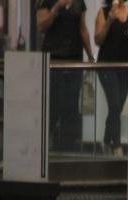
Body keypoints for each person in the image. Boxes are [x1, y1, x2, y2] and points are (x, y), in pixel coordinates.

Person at [36, 0, 94, 151]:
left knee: (71, 105)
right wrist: (56, 8)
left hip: (74, 59)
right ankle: (45, 144)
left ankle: (68, 146)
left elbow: (83, 29)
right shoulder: (46, 2)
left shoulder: (79, 3)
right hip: (54, 60)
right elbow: (42, 26)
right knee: (54, 104)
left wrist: (90, 56)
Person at [94, 0, 128, 156]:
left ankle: (107, 141)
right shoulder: (103, 12)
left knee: (118, 106)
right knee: (114, 104)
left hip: (126, 67)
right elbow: (98, 40)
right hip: (107, 65)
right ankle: (116, 145)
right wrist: (109, 20)